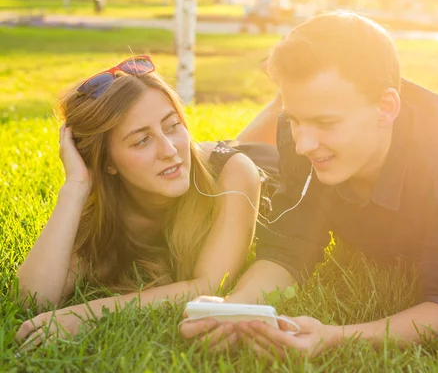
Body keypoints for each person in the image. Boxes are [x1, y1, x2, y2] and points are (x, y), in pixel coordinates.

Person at [179, 11, 438, 357]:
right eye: (295, 119)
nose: (302, 144)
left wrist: (334, 336)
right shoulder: (301, 132)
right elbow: (287, 249)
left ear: (386, 107)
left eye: (326, 123)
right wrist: (239, 306)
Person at [14, 55, 274, 348]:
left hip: (270, 170)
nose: (168, 149)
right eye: (142, 140)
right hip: (210, 160)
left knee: (255, 143)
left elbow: (210, 285)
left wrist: (87, 314)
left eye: (173, 125)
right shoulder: (108, 208)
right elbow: (32, 301)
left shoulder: (234, 173)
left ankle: (284, 98)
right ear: (108, 162)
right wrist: (75, 186)